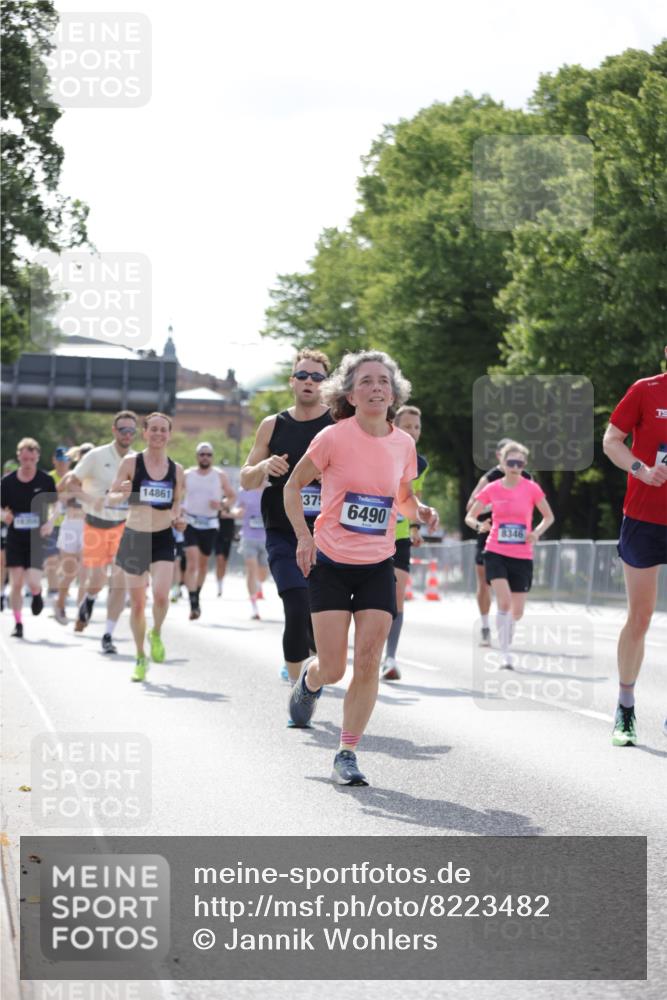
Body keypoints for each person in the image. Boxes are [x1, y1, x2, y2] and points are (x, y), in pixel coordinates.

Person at [284, 350, 439, 786]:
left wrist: (420, 510)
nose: (376, 388)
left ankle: (346, 752)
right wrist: (304, 537)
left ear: (393, 393)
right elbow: (293, 486)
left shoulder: (403, 444)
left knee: (368, 661)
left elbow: (401, 497)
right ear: (350, 395)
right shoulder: (333, 438)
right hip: (331, 563)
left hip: (377, 564)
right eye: (366, 381)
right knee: (334, 668)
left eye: (383, 381)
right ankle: (310, 681)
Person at [240, 348, 333, 682]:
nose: (309, 381)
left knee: (318, 615)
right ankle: (298, 688)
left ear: (326, 383)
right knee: (295, 605)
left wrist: (330, 476)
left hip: (328, 535)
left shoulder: (338, 424)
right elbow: (246, 479)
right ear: (292, 381)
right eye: (303, 375)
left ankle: (310, 659)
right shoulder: (272, 425)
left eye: (317, 376)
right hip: (282, 531)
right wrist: (264, 466)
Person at [602, 346, 667, 746]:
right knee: (640, 617)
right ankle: (625, 705)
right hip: (644, 519)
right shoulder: (646, 390)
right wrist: (641, 470)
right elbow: (612, 441)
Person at [108, 412, 185, 682]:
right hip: (135, 538)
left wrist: (178, 519)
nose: (158, 434)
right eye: (153, 429)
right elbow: (111, 497)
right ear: (145, 433)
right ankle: (140, 656)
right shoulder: (131, 462)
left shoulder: (176, 470)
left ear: (169, 434)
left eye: (163, 430)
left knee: (162, 597)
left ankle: (156, 633)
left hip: (162, 537)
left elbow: (177, 504)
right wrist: (122, 492)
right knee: (138, 605)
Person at [465, 441, 554, 670]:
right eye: (511, 462)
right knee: (503, 601)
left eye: (520, 463)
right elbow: (470, 516)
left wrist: (536, 533)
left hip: (522, 554)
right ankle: (505, 654)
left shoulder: (531, 488)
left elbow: (549, 517)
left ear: (524, 464)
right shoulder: (492, 488)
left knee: (518, 611)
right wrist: (479, 526)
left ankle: (506, 629)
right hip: (495, 550)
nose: (515, 467)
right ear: (502, 463)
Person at [58, 412, 137, 653]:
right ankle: (89, 599)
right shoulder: (96, 456)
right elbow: (71, 483)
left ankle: (108, 634)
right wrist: (91, 500)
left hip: (123, 525)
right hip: (96, 524)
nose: (127, 434)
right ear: (114, 430)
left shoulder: (137, 460)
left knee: (120, 581)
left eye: (131, 431)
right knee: (98, 580)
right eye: (123, 430)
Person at [466, 437, 533, 646]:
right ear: (499, 457)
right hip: (489, 536)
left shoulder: (526, 478)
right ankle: (486, 626)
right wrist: (497, 504)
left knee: (511, 590)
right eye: (508, 457)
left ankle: (506, 620)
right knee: (484, 584)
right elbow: (470, 506)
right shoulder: (489, 478)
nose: (514, 464)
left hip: (516, 543)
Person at [381, 405, 429, 681]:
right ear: (395, 426)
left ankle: (390, 658)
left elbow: (414, 496)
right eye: (407, 426)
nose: (413, 431)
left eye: (417, 427)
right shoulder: (379, 451)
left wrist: (415, 526)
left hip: (399, 537)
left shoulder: (420, 464)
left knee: (397, 597)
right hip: (373, 536)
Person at [1, 438, 58, 638]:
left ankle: (36, 593)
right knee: (16, 583)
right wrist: (3, 515)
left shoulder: (45, 480)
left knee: (33, 581)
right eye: (24, 459)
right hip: (15, 537)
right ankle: (18, 623)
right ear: (19, 457)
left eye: (32, 459)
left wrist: (50, 522)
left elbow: (57, 505)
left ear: (37, 458)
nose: (28, 463)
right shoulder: (7, 482)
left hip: (36, 538)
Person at [182, 443, 235, 619]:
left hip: (210, 524)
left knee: (203, 565)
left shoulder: (219, 475)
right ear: (197, 456)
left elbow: (232, 496)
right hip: (190, 522)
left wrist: (222, 504)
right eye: (202, 454)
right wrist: (178, 508)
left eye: (208, 454)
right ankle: (193, 604)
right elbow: (176, 495)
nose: (205, 457)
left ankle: (196, 594)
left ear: (212, 457)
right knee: (192, 563)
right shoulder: (187, 474)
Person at [52, 444, 92, 624]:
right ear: (79, 459)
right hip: (70, 526)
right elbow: (55, 494)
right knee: (69, 573)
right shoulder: (70, 476)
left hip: (89, 526)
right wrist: (68, 497)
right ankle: (60, 604)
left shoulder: (98, 479)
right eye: (84, 457)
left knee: (85, 572)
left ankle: (80, 613)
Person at [233, 486, 270, 619]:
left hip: (266, 538)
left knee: (263, 575)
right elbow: (235, 508)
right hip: (248, 537)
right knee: (251, 570)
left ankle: (259, 585)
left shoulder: (270, 489)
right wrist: (238, 512)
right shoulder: (244, 490)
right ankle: (254, 607)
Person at [45, 446, 71, 594]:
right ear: (54, 460)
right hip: (52, 524)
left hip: (71, 524)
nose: (62, 463)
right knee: (51, 559)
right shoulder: (48, 478)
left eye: (65, 460)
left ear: (69, 461)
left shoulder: (75, 477)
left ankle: (62, 589)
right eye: (59, 459)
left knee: (66, 560)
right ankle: (53, 589)